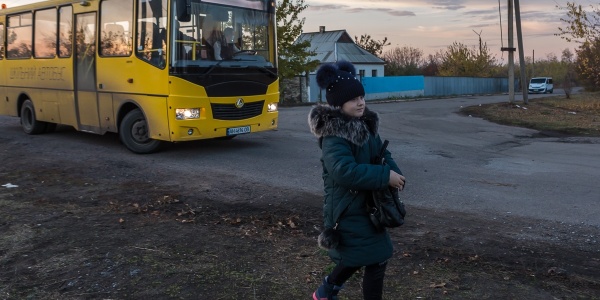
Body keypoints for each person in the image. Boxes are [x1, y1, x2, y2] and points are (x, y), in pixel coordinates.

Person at [308, 60, 406, 300]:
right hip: (347, 209)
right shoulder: (333, 135)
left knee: (364, 255)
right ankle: (326, 290)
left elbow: (382, 154)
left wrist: (395, 173)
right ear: (339, 104)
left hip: (367, 206)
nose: (360, 102)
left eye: (362, 96)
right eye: (353, 99)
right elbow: (344, 171)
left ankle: (326, 291)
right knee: (374, 256)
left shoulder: (366, 125)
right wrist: (385, 177)